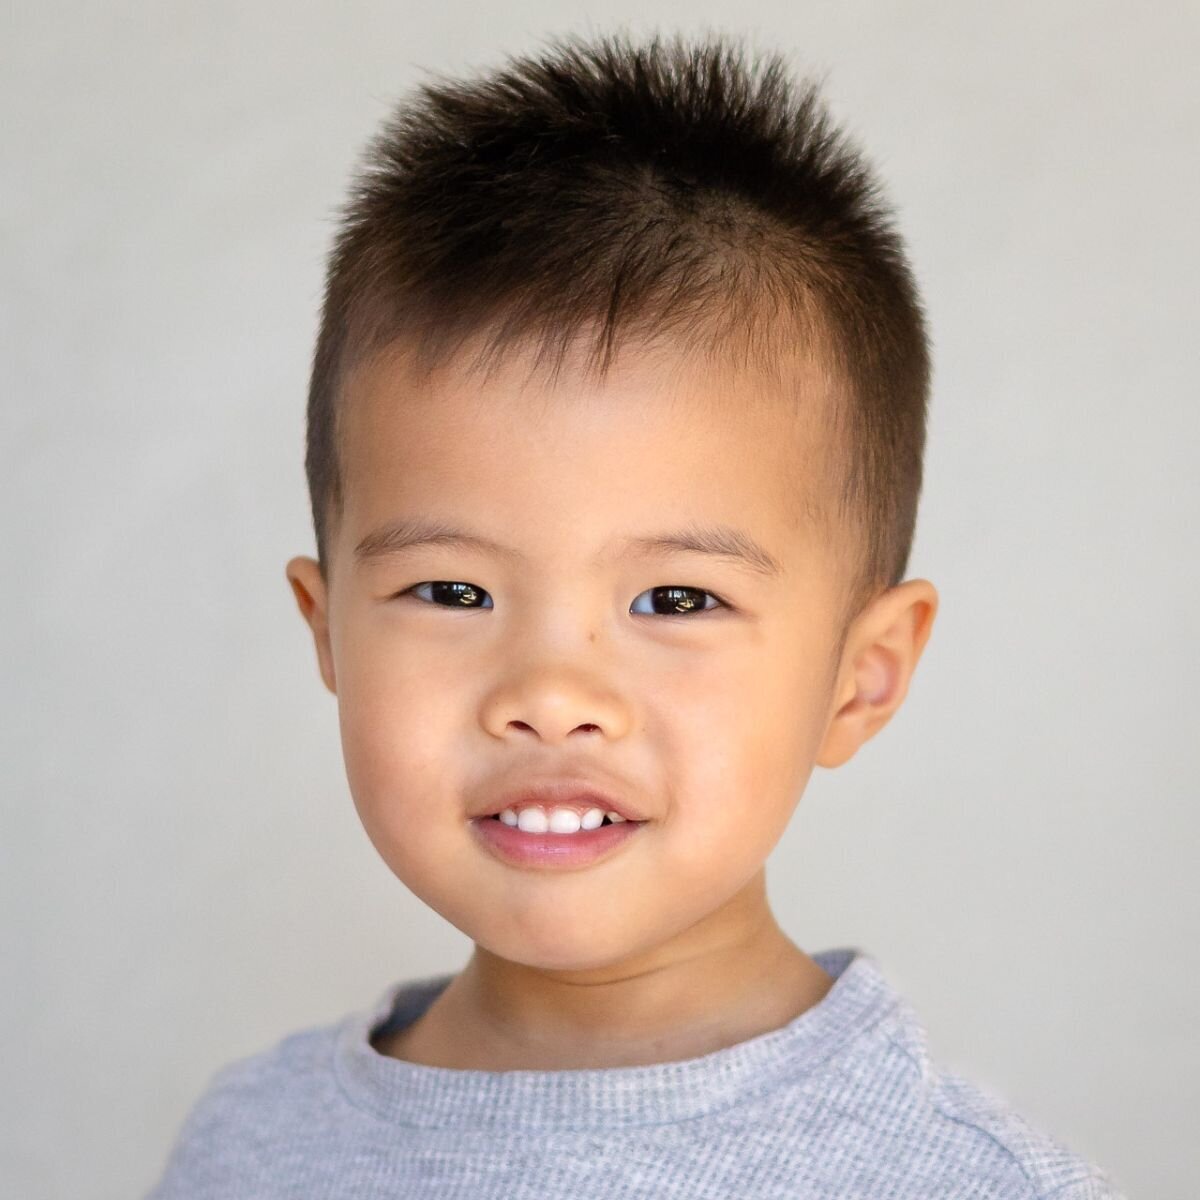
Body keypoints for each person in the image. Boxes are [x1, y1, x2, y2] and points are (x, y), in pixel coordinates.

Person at [146, 29, 1126, 1199]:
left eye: (675, 598)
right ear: (328, 633)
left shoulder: (963, 1183)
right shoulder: (249, 1144)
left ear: (860, 676)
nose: (553, 695)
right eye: (453, 591)